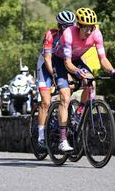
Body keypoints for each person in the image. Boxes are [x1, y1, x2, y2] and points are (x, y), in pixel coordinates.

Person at [52, 7, 115, 152]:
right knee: (65, 96)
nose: (89, 31)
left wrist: (113, 70)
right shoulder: (68, 34)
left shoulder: (96, 34)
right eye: (86, 28)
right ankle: (62, 140)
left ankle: (78, 114)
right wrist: (78, 73)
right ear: (78, 26)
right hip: (61, 61)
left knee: (91, 82)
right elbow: (67, 64)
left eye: (91, 27)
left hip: (77, 59)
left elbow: (102, 59)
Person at [36, 10, 76, 149]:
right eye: (65, 26)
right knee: (46, 102)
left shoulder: (72, 36)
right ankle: (40, 136)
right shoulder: (51, 34)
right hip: (45, 66)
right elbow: (47, 59)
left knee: (68, 92)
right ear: (59, 26)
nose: (68, 29)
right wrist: (54, 77)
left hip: (60, 64)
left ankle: (65, 120)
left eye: (71, 26)